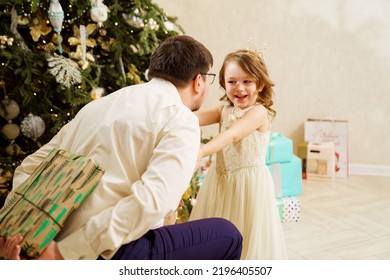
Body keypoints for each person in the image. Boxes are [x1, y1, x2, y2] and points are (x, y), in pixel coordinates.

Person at [0, 35, 242, 260]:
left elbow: (30, 166)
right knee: (228, 235)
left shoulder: (100, 105)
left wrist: (19, 233)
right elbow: (152, 202)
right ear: (198, 82)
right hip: (102, 252)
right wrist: (64, 253)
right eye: (209, 78)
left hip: (50, 236)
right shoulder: (180, 119)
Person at [189, 49, 288, 260]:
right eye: (232, 81)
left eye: (247, 81)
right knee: (216, 228)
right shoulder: (224, 110)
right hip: (220, 180)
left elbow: (233, 135)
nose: (239, 88)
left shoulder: (258, 113)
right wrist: (175, 115)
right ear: (223, 84)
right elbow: (193, 118)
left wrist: (203, 150)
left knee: (245, 232)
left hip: (248, 185)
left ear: (260, 84)